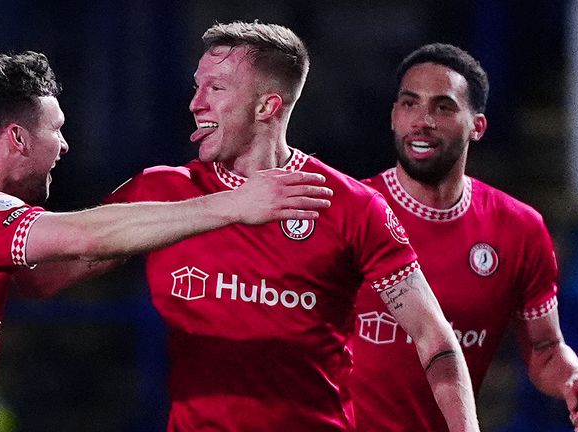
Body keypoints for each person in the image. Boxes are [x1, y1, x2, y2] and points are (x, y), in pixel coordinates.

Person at [0, 50, 333, 431]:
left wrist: (149, 217)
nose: (65, 145)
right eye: (57, 129)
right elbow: (83, 235)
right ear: (18, 139)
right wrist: (234, 205)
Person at [105, 22, 479, 431]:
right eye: (198, 86)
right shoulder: (159, 191)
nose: (196, 103)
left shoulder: (350, 206)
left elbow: (433, 337)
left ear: (267, 106)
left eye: (216, 88)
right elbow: (60, 261)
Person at [345, 43, 578, 431]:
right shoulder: (347, 211)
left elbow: (545, 351)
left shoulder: (519, 229)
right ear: (394, 117)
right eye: (410, 104)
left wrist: (576, 378)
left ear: (477, 126)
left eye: (443, 107)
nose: (422, 120)